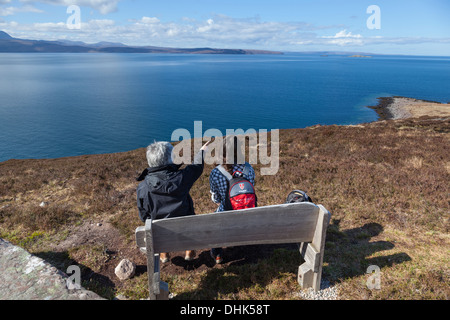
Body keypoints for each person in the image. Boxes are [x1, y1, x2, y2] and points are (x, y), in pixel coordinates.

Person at [136, 140, 210, 263]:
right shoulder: (182, 178)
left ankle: (164, 253)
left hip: (160, 234)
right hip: (187, 228)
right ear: (170, 159)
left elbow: (144, 216)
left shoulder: (143, 188)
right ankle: (189, 251)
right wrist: (202, 152)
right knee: (187, 220)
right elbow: (196, 167)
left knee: (157, 226)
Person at [209, 136, 256, 264]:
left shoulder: (216, 172)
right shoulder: (248, 168)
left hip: (226, 213)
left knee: (215, 220)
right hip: (247, 212)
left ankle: (217, 254)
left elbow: (216, 198)